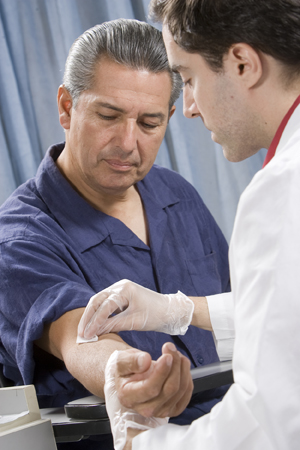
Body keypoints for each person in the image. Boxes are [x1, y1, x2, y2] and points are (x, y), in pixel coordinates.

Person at [0, 18, 231, 450]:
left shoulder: (175, 194)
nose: (128, 143)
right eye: (109, 115)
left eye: (149, 123)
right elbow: (79, 336)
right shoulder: (18, 241)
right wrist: (125, 374)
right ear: (67, 108)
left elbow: (239, 306)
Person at [78, 1, 300, 449]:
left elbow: (273, 423)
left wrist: (141, 442)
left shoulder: (279, 191)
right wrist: (178, 311)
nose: (192, 107)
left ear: (242, 64)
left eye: (191, 78)